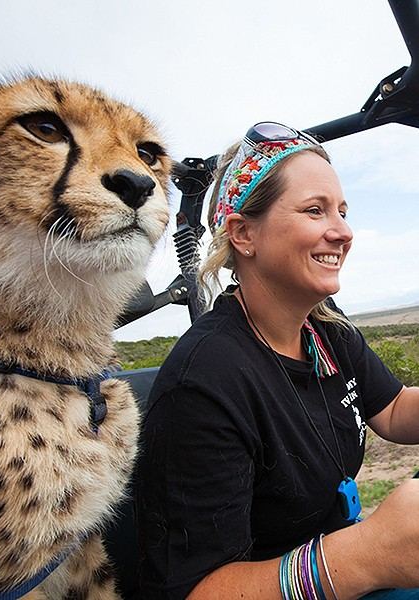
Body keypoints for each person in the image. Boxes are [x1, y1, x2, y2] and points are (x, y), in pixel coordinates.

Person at [136, 122, 419, 599]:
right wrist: (368, 554)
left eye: (342, 212)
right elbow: (193, 592)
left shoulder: (326, 327)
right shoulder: (205, 381)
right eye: (316, 210)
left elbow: (391, 410)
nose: (343, 232)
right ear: (244, 234)